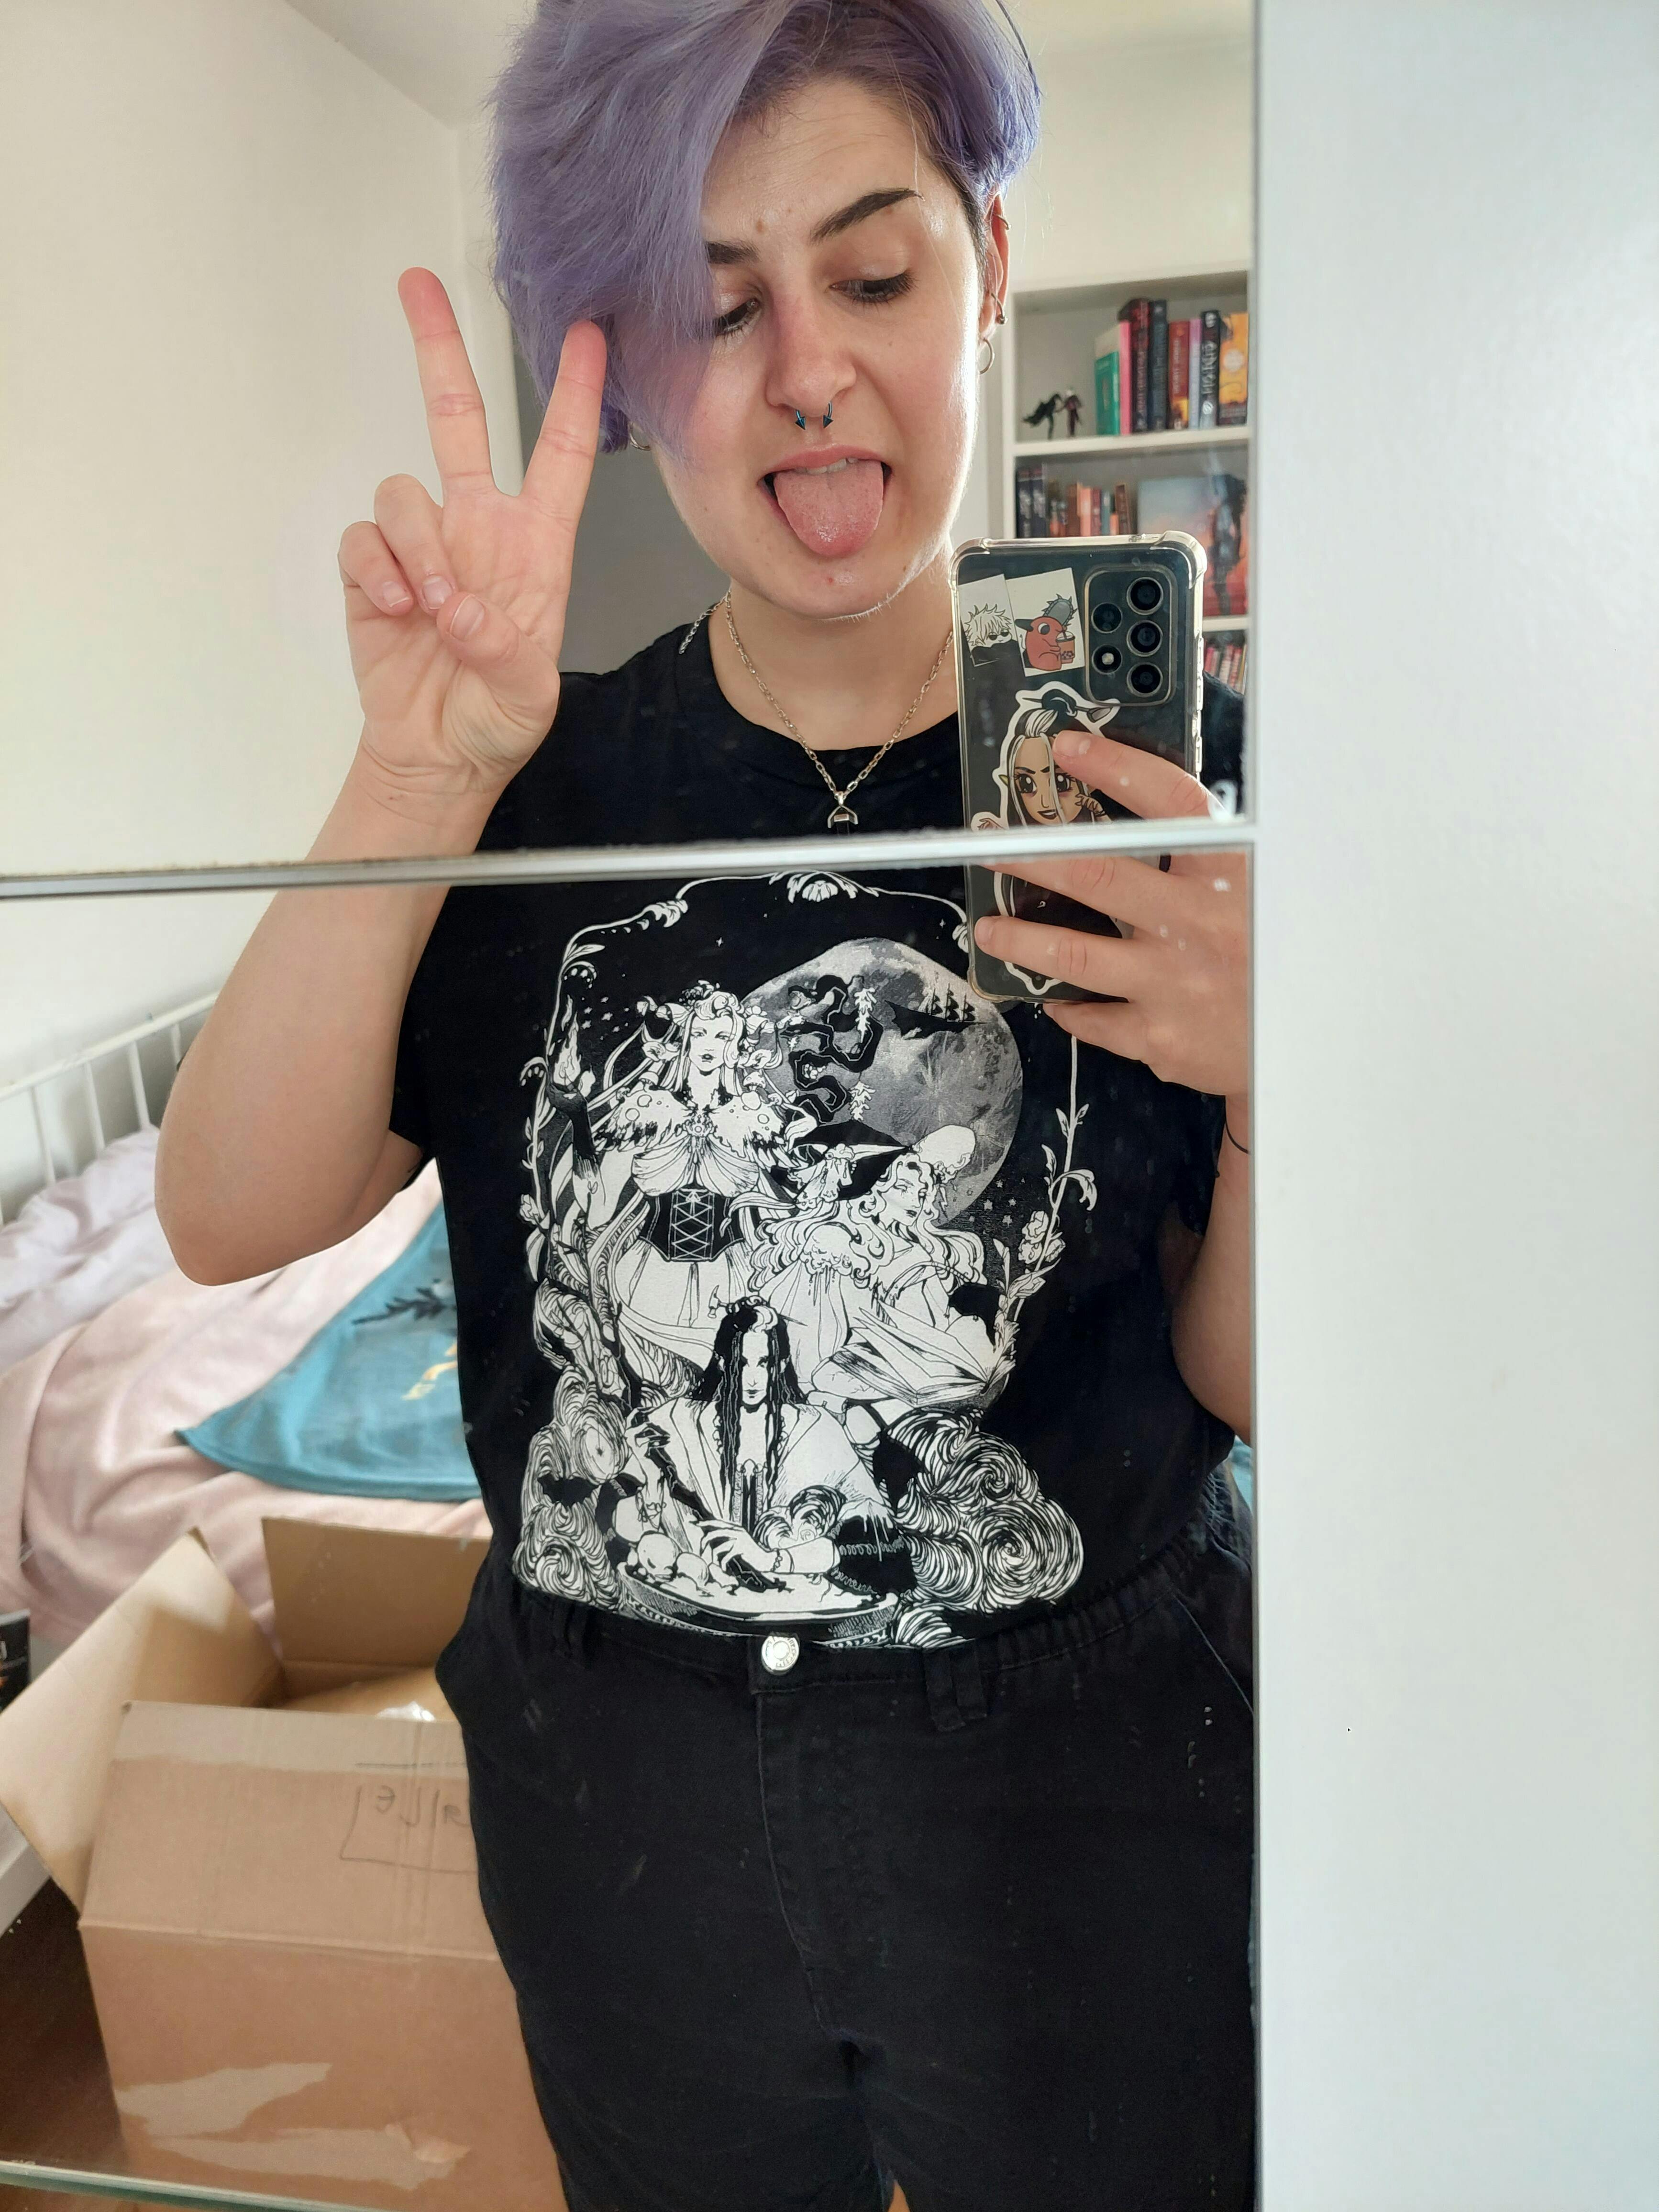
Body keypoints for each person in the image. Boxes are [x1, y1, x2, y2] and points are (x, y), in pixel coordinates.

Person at [156, 4, 1254, 2207]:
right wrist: (413, 776)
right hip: (623, 1820)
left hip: (1090, 1801)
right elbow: (223, 1215)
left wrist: (1278, 1070)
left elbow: (1242, 1372)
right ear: (637, 368)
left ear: (990, 270)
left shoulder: (1186, 802)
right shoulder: (520, 788)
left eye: (874, 272)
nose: (807, 371)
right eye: (714, 305)